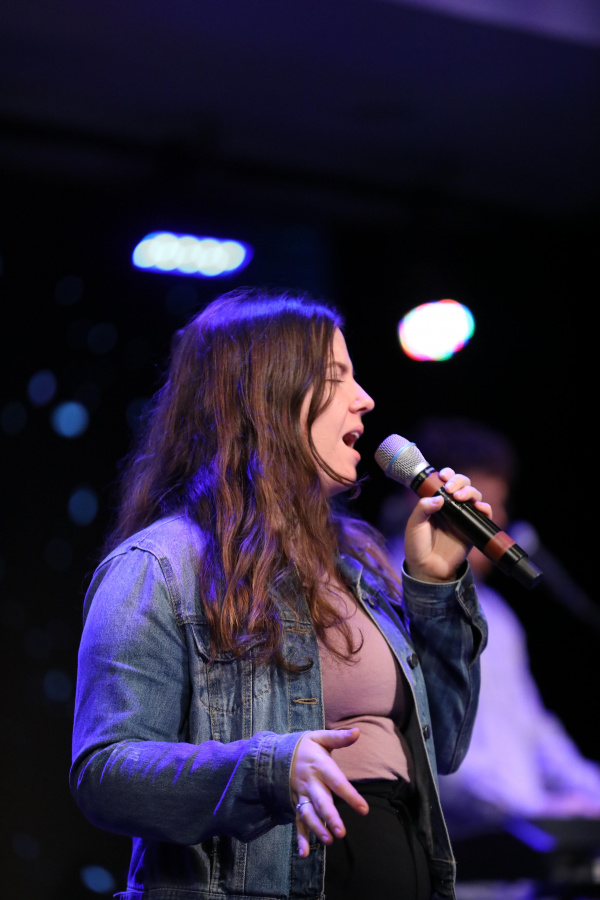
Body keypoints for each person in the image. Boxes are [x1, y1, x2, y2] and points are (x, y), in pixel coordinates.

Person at [70, 289, 489, 900]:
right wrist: (265, 770)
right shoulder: (159, 566)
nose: (365, 399)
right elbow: (105, 775)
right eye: (335, 377)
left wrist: (434, 585)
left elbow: (445, 747)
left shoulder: (359, 567)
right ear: (265, 397)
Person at [382, 417, 600, 835]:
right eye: (479, 500)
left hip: (519, 836)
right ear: (428, 495)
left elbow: (531, 726)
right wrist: (532, 809)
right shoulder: (382, 587)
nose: (494, 519)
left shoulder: (498, 612)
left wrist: (588, 792)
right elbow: (428, 741)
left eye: (499, 505)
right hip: (454, 840)